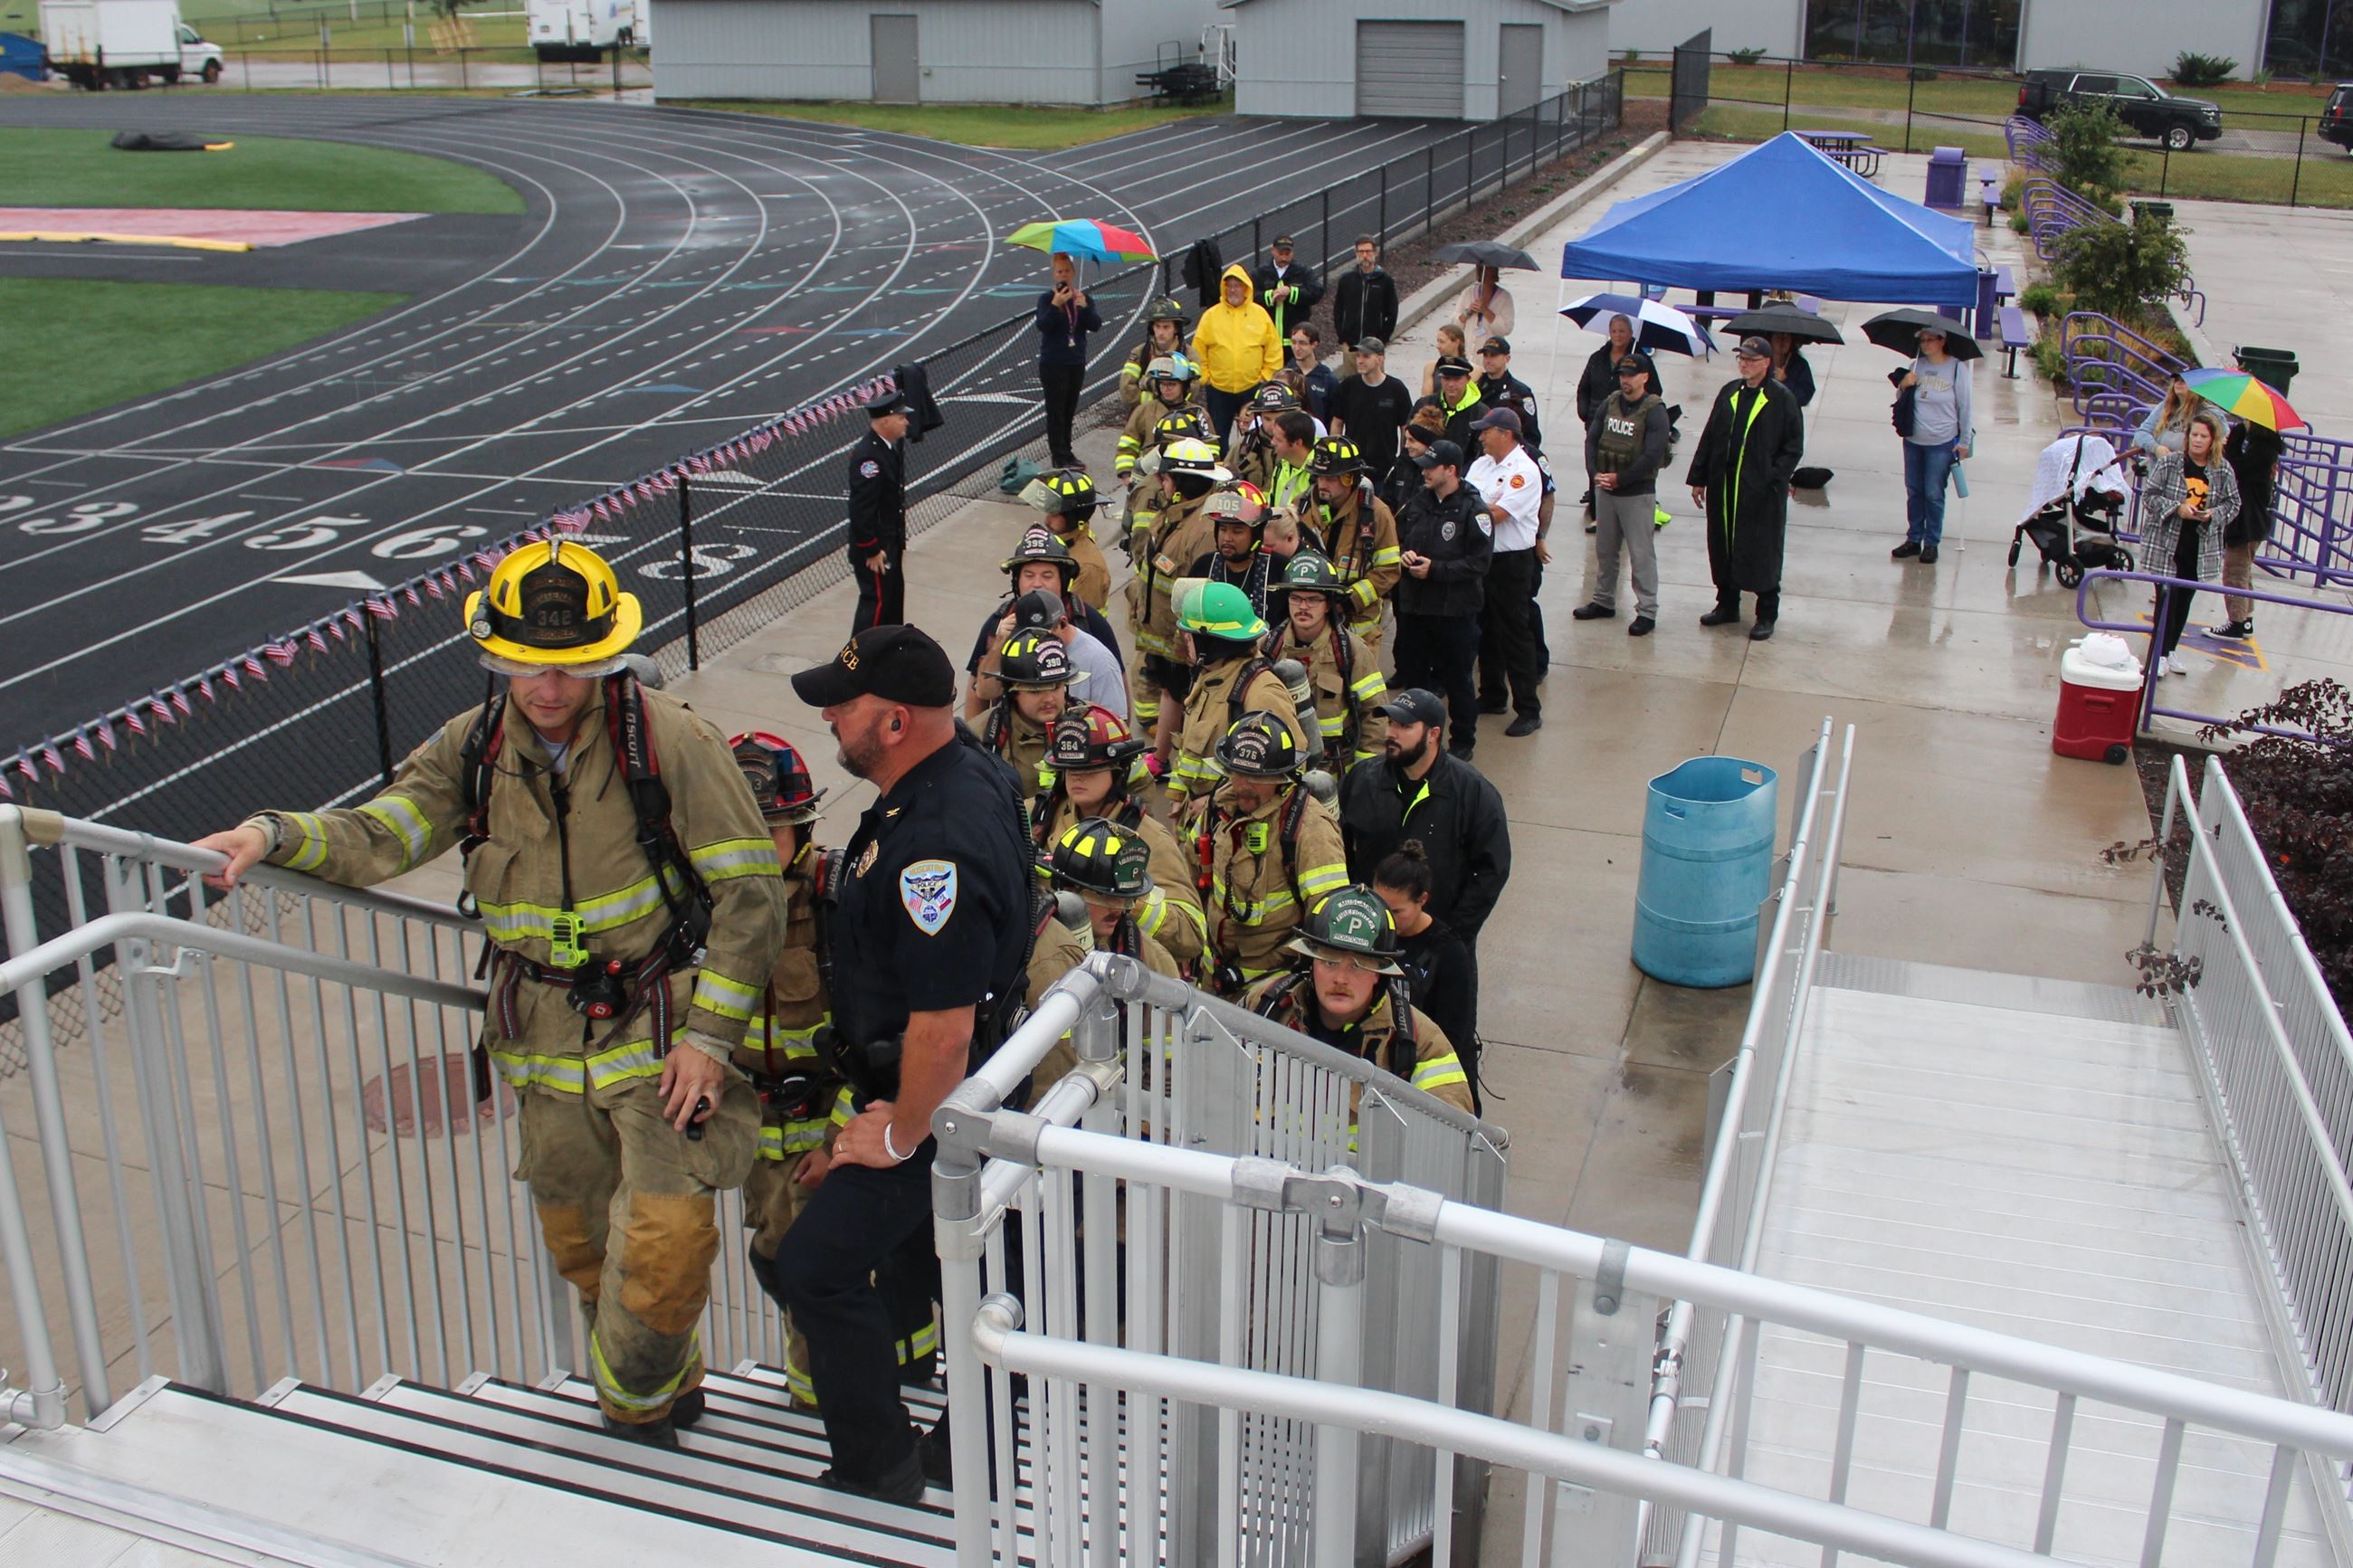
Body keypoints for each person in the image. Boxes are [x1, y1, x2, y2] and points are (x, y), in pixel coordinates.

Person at [193, 538, 786, 1446]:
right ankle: (666, 1379)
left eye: (569, 667)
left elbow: (752, 890)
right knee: (585, 1253)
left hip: (658, 1043)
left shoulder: (670, 741)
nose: (547, 688)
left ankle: (631, 1422)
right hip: (541, 1049)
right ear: (497, 656)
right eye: (526, 667)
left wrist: (708, 1036)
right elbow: (384, 831)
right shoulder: (470, 748)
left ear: (603, 655)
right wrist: (273, 835)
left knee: (664, 1253)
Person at [778, 623, 1033, 1503]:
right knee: (942, 1267)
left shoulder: (934, 845)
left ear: (892, 722)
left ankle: (876, 1465)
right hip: (941, 1096)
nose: (831, 721)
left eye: (842, 707)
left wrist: (890, 1134)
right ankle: (976, 1442)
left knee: (812, 1265)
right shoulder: (963, 775)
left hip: (932, 1103)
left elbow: (942, 1026)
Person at [729, 732, 936, 1410]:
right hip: (755, 1133)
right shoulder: (711, 909)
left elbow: (880, 1041)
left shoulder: (837, 902)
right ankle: (818, 1399)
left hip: (828, 1123)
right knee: (778, 1255)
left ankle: (847, 1404)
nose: (757, 848)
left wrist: (836, 1143)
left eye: (773, 831)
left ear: (803, 825)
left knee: (832, 1273)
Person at [1337, 685, 1510, 1067]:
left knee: (1447, 1041)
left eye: (1404, 726)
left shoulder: (1473, 793)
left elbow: (1492, 869)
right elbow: (1339, 846)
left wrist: (1452, 934)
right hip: (1369, 942)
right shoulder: (1361, 780)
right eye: (1389, 724)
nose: (1390, 734)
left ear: (1434, 734)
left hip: (1441, 946)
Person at [1242, 884, 1475, 1117]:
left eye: (1357, 966)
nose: (1341, 979)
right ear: (1310, 963)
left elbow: (1450, 1134)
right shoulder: (1264, 1006)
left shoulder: (1419, 1042)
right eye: (1329, 962)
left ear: (1378, 974)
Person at [1031, 704, 1206, 974]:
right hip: (1051, 964)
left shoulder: (1149, 839)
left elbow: (1192, 935)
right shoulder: (1039, 817)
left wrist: (1125, 895)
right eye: (1068, 768)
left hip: (1118, 973)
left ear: (1118, 772)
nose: (1077, 776)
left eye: (1091, 770)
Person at [1193, 711, 1350, 993]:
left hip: (1271, 986)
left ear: (1282, 777)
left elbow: (1328, 930)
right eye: (1236, 772)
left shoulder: (1311, 829)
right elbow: (1190, 869)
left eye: (1255, 777)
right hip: (1210, 972)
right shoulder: (1219, 805)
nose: (1242, 785)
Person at [1688, 336, 1805, 641]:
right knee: (1723, 545)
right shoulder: (1729, 392)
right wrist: (1699, 477)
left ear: (1767, 363)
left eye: (1752, 359)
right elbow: (1711, 436)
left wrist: (1773, 479)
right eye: (1741, 358)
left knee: (1761, 551)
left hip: (1760, 493)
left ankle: (1766, 613)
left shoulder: (1782, 399)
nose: (1744, 363)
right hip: (1725, 488)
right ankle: (1727, 604)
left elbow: (1793, 448)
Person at [1125, 436, 1230, 766]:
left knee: (1192, 702)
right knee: (1171, 692)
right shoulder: (1175, 514)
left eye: (1167, 477)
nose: (1161, 483)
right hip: (1168, 641)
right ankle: (1159, 757)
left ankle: (1187, 763)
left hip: (1183, 642)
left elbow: (1199, 594)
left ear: (1181, 483)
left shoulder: (1201, 530)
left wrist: (1185, 643)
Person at [1392, 441, 1494, 756]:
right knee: (1416, 679)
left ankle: (1462, 741)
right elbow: (1397, 536)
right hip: (1416, 608)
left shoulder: (1474, 510)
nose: (1424, 471)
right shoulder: (1418, 502)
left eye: (1431, 467)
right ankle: (1417, 737)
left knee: (1457, 679)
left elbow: (1480, 563)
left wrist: (1436, 570)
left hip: (1454, 612)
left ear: (1450, 470)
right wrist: (1404, 555)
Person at [1167, 581, 1304, 809]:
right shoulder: (1208, 677)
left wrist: (1215, 802)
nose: (1184, 638)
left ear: (1208, 641)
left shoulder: (1262, 693)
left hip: (1234, 824)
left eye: (1189, 633)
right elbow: (1189, 748)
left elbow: (1286, 772)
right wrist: (1178, 798)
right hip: (1200, 822)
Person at [966, 527, 1121, 720]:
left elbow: (1116, 697)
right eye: (1029, 575)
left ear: (1063, 581)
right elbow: (980, 693)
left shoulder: (1090, 622)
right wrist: (999, 645)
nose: (1037, 584)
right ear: (1017, 581)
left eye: (1047, 576)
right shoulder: (1000, 622)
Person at [1370, 842, 1479, 1108]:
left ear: (1423, 900)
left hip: (1428, 1079)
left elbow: (1454, 1032)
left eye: (1397, 911)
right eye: (1379, 905)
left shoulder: (1449, 953)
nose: (1387, 918)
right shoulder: (1369, 935)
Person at [1574, 350, 1670, 638]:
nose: (1625, 381)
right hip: (1606, 490)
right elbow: (1592, 439)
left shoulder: (1654, 410)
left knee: (1641, 554)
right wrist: (1595, 476)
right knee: (1605, 550)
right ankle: (1603, 600)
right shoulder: (1610, 403)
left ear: (1645, 377)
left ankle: (1647, 610)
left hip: (1636, 494)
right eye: (1622, 376)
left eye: (1630, 375)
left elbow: (1653, 455)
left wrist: (1622, 479)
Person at [2140, 408, 2241, 679]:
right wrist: (2176, 508)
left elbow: (2233, 504)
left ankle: (2170, 649)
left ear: (2212, 440)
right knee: (2166, 600)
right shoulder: (2170, 463)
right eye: (2194, 434)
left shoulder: (2222, 469)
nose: (2197, 440)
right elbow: (2149, 496)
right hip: (2166, 545)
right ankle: (2158, 654)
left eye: (2203, 436)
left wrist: (2212, 515)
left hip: (2197, 547)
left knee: (2184, 599)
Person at [1264, 550, 1388, 767]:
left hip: (1333, 768)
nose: (1303, 607)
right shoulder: (1268, 648)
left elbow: (1375, 714)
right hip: (1279, 767)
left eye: (1313, 599)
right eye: (1296, 598)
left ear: (1328, 604)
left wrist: (1366, 772)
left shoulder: (1351, 650)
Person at [1466, 407, 1546, 738]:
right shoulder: (1481, 464)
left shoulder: (1524, 471)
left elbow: (1496, 514)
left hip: (1513, 562)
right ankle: (1493, 694)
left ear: (1506, 433)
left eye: (1487, 430)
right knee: (1483, 630)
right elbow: (1466, 500)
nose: (1481, 436)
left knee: (1515, 635)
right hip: (1483, 560)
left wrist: (1465, 515)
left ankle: (1528, 708)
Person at [1304, 435, 1402, 652]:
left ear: (1350, 479)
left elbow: (1388, 570)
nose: (1322, 484)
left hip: (1359, 632)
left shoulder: (1377, 514)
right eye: (1319, 476)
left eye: (1330, 478)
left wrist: (1347, 601)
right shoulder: (1303, 509)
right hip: (1311, 626)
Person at [1891, 323, 1973, 565]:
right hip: (1913, 439)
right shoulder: (1916, 366)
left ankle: (1932, 542)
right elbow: (1903, 400)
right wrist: (1904, 385)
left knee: (1933, 492)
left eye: (1930, 340)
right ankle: (1914, 538)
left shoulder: (1957, 370)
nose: (1925, 344)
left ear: (1942, 341)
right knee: (1914, 490)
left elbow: (1966, 407)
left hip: (1941, 442)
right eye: (1922, 340)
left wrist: (1965, 441)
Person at [1193, 262, 1285, 442]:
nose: (1233, 290)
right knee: (1217, 437)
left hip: (1252, 389)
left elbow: (1273, 349)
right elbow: (1198, 350)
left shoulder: (1260, 315)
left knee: (1256, 436)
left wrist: (1265, 377)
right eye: (1230, 286)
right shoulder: (1211, 316)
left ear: (1247, 289)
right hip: (1219, 390)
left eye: (1238, 286)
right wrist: (1206, 378)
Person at [847, 389, 912, 633]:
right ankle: (859, 660)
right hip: (877, 551)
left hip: (889, 544)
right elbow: (861, 508)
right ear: (886, 420)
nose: (906, 421)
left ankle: (889, 653)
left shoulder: (885, 449)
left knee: (892, 604)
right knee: (875, 607)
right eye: (901, 417)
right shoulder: (869, 458)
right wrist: (871, 549)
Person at [1034, 252, 1100, 470]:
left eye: (1067, 271)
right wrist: (1055, 305)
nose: (1063, 275)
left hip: (1075, 360)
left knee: (1069, 409)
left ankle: (1067, 451)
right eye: (1059, 271)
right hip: (1053, 362)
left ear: (1073, 273)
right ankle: (1058, 454)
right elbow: (1043, 325)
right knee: (1056, 410)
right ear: (1054, 274)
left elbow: (1095, 325)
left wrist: (1084, 308)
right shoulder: (1047, 299)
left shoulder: (1082, 297)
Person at [2220, 416, 2283, 640]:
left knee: (2234, 572)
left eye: (2247, 419)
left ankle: (2236, 622)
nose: (2244, 422)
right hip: (2253, 519)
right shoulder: (2265, 448)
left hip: (2247, 521)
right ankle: (2245, 619)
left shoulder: (2261, 452)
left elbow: (2236, 468)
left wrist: (2234, 440)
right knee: (2243, 572)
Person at [1020, 468, 1115, 615]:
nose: (1047, 520)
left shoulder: (1087, 569)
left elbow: (1071, 622)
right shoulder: (1062, 545)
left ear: (1073, 517)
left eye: (1054, 514)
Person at [1329, 336, 1414, 484]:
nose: (1360, 361)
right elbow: (1337, 423)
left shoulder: (1396, 389)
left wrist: (1402, 459)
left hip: (1384, 469)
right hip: (1351, 468)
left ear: (1380, 359)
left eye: (1366, 356)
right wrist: (1335, 453)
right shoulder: (1347, 387)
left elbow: (1405, 427)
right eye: (1358, 356)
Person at [1115, 353, 1203, 492]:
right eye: (1162, 384)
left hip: (1187, 484)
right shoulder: (1145, 411)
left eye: (1172, 384)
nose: (1166, 389)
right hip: (1149, 483)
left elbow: (1212, 450)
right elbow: (1128, 444)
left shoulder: (1198, 414)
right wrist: (1126, 475)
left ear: (1184, 385)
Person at [1187, 483, 1277, 616]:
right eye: (1223, 529)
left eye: (1237, 531)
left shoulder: (1278, 570)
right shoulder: (1203, 567)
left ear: (1256, 533)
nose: (1227, 538)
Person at [1331, 236, 1399, 380]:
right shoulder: (1347, 280)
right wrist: (1343, 336)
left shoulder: (1385, 281)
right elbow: (1338, 309)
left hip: (1374, 347)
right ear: (1356, 254)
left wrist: (1382, 339)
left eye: (1368, 251)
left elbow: (1392, 313)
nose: (1365, 256)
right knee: (1351, 386)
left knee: (1376, 384)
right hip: (1351, 345)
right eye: (1361, 252)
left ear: (1375, 253)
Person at [1473, 336, 1543, 453]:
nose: (1488, 360)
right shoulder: (1476, 387)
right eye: (1486, 355)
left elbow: (1531, 435)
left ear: (1507, 358)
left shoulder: (1520, 392)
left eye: (1494, 355)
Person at [1119, 295, 1190, 407]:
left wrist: (1148, 384)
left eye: (1166, 327)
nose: (1161, 332)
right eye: (1157, 326)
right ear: (1152, 328)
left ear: (1176, 328)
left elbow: (1192, 389)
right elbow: (1126, 390)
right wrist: (1156, 402)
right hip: (1146, 416)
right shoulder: (1139, 353)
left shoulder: (1189, 355)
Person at [1253, 233, 1323, 344]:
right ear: (1273, 251)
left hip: (1296, 343)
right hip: (1267, 342)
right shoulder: (1260, 273)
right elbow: (1250, 296)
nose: (1284, 257)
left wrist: (1291, 293)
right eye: (1281, 253)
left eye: (1287, 253)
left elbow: (1316, 292)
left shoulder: (1303, 272)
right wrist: (1271, 296)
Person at [1229, 380, 1298, 491]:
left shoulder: (1299, 445)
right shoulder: (1244, 446)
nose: (1273, 425)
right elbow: (1225, 480)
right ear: (1259, 417)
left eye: (1279, 419)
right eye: (1267, 419)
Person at [1383, 404, 1446, 513]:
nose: (1406, 445)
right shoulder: (1400, 466)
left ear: (1427, 442)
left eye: (1412, 440)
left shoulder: (1440, 472)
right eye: (1406, 439)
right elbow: (1386, 501)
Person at [2132, 373, 2198, 461]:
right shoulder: (2165, 406)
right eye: (2176, 380)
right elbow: (2141, 433)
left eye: (2184, 381)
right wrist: (2155, 448)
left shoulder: (2208, 413)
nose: (2179, 383)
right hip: (2159, 469)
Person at [1266, 409, 1319, 515]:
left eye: (1278, 439)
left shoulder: (1320, 472)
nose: (1272, 442)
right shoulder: (1281, 464)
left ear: (1297, 443)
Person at [1427, 356, 1485, 451]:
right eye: (1446, 378)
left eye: (1457, 379)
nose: (1451, 384)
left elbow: (1481, 453)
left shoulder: (1480, 414)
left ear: (1468, 379)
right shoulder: (1425, 404)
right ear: (1441, 379)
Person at [1291, 323, 1339, 423]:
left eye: (1302, 343)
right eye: (1294, 342)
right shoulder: (1285, 375)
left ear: (1314, 344)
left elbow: (1335, 417)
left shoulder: (1328, 379)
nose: (1297, 348)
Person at [1452, 264, 1514, 344]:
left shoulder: (1505, 297)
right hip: (1468, 351)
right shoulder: (1468, 293)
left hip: (1491, 353)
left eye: (1490, 269)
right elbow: (1455, 326)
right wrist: (1468, 312)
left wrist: (1486, 311)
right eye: (1482, 269)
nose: (1485, 273)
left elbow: (1506, 328)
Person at [1420, 323, 1468, 399]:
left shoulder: (1473, 369)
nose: (1438, 346)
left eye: (1442, 342)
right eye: (1438, 341)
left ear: (1456, 343)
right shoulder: (1431, 367)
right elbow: (1426, 399)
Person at [1770, 332, 1816, 408]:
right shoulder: (1760, 362)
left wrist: (1786, 381)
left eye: (1787, 337)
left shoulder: (1800, 365)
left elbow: (1804, 398)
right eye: (1779, 337)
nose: (1783, 341)